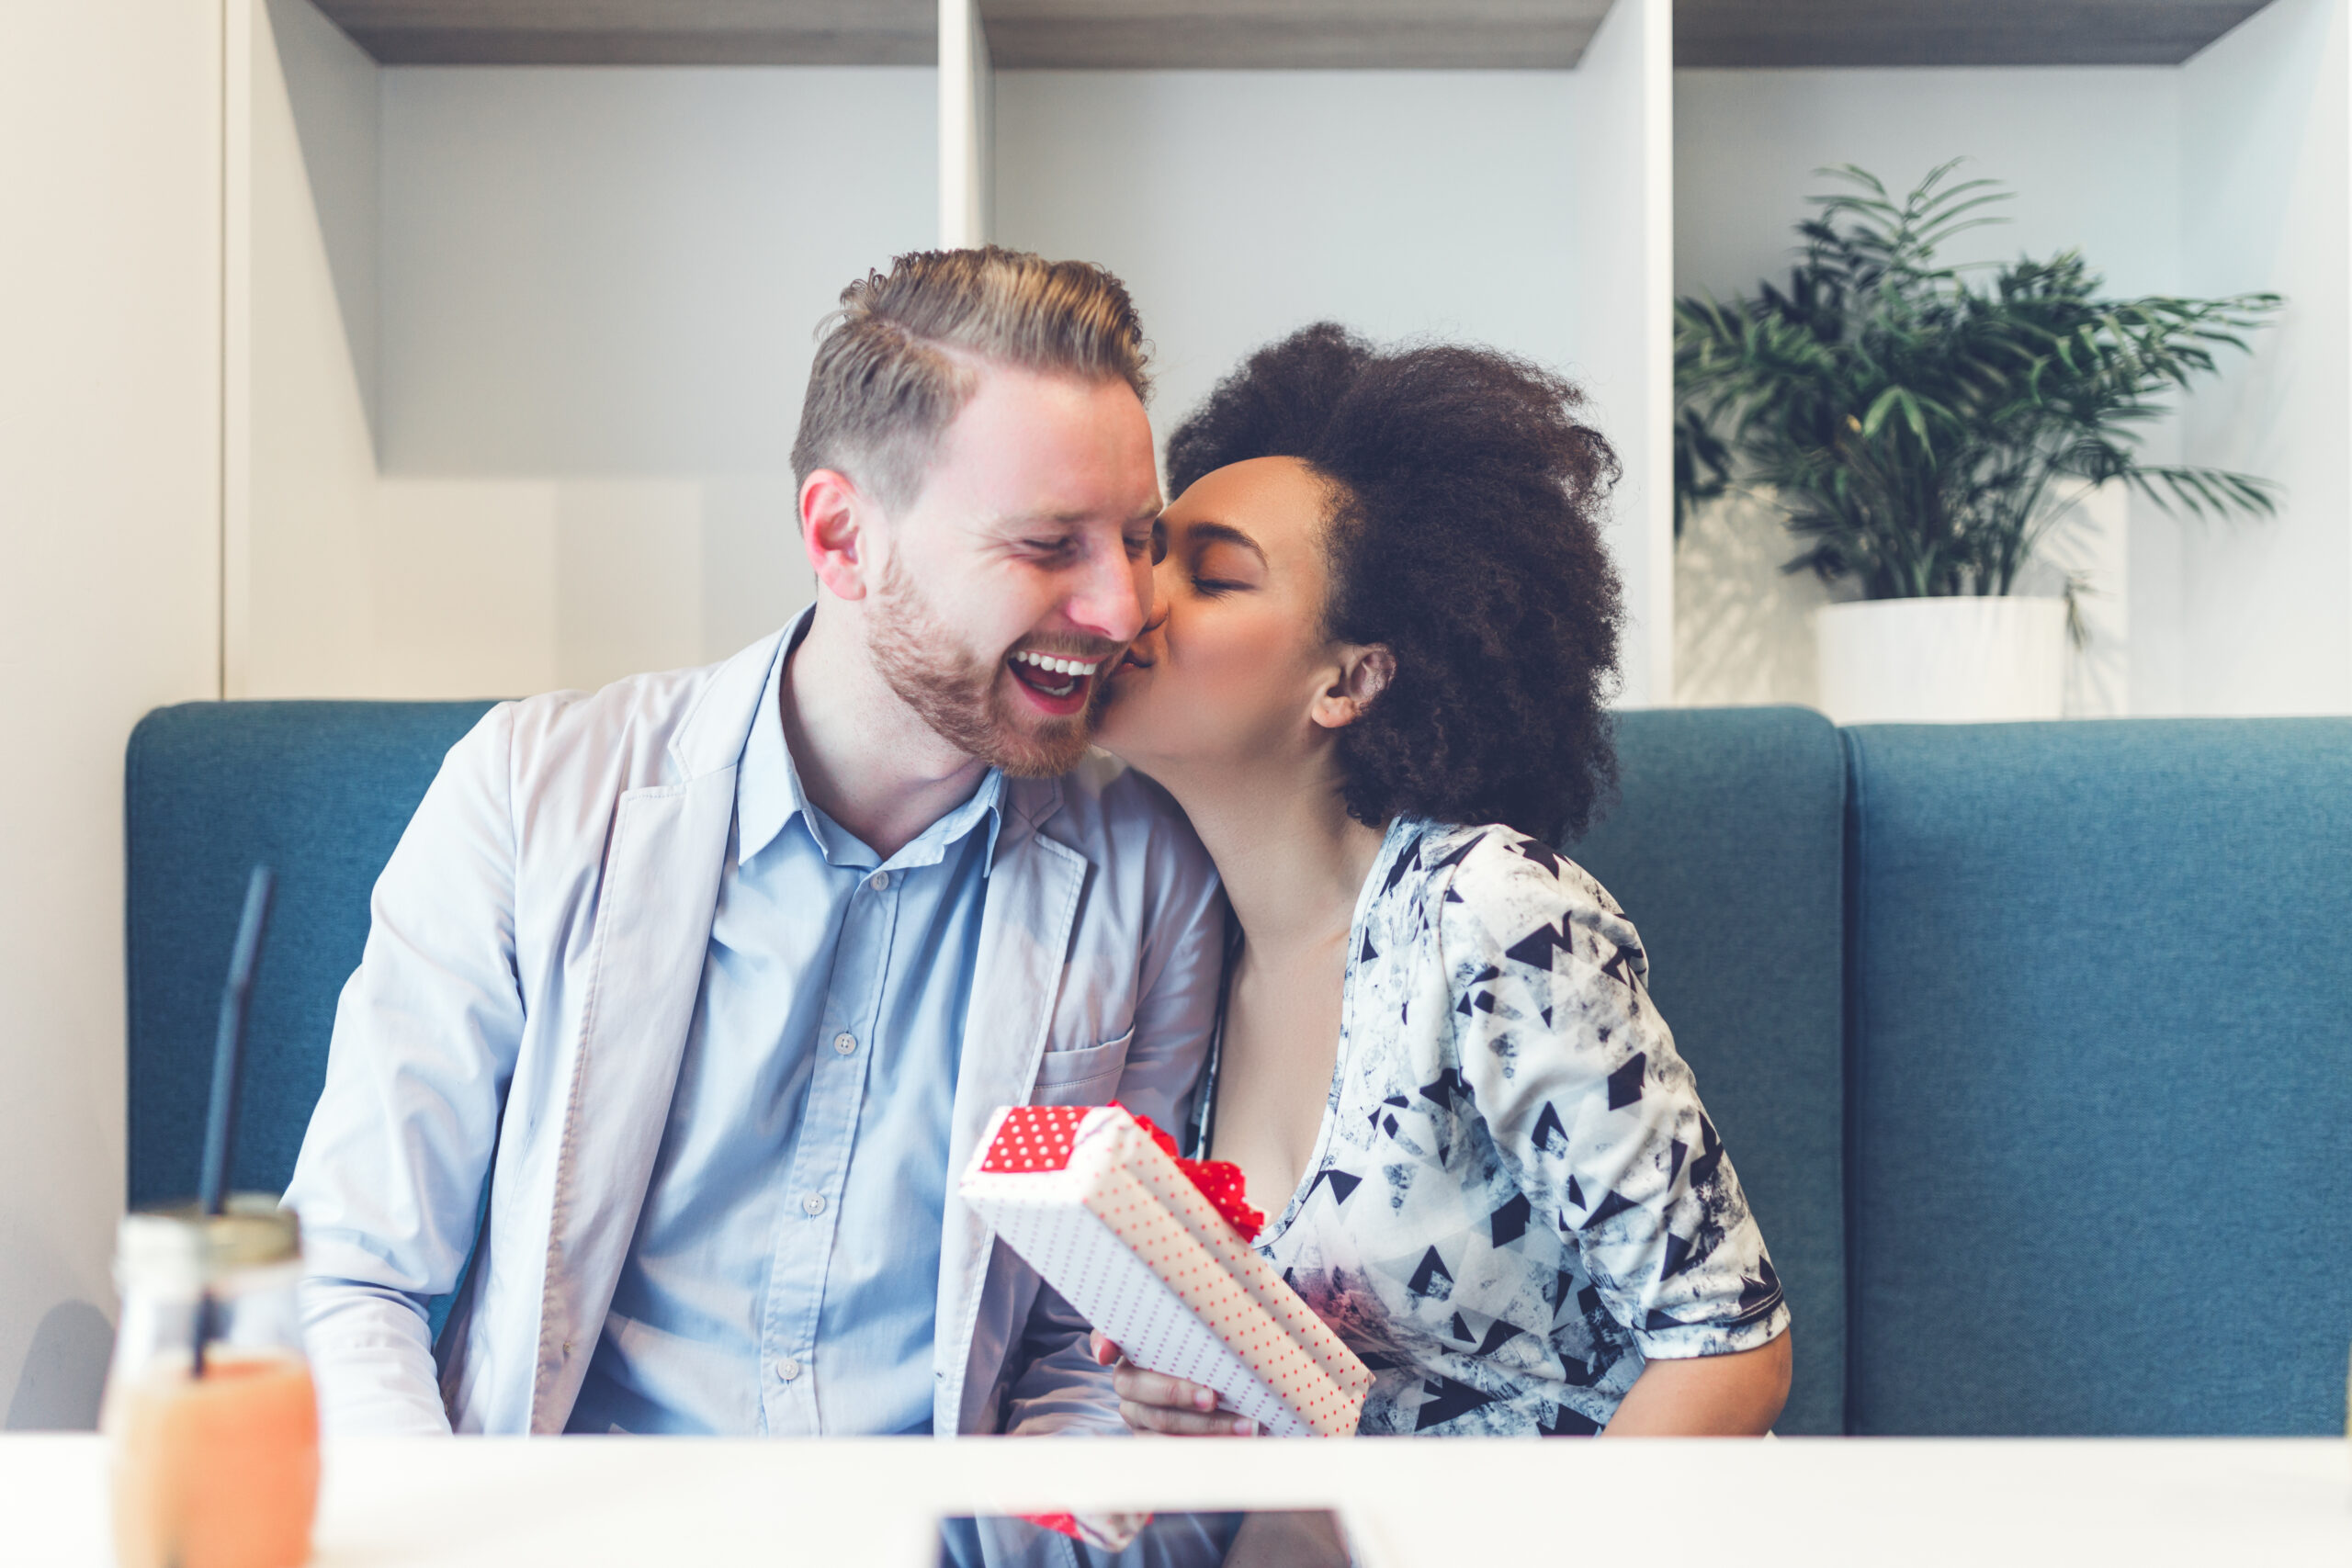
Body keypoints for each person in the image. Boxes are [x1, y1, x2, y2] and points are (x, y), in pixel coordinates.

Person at [283, 248, 1227, 1438]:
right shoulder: (528, 794)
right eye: (1048, 545)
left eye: (1137, 537)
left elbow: (1081, 1353)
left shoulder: (1154, 871)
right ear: (842, 536)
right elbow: (351, 1278)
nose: (1124, 607)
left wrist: (1044, 1509)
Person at [1089, 324, 1792, 1438]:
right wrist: (1186, 1393)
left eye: (1212, 576)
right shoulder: (1179, 941)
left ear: (1351, 680)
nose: (1132, 599)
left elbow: (1729, 1354)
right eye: (1145, 553)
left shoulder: (1491, 917)